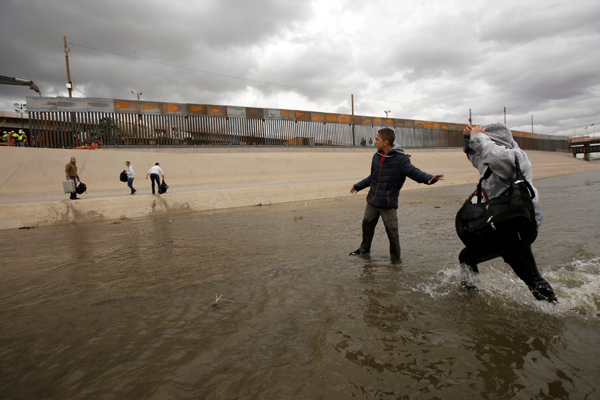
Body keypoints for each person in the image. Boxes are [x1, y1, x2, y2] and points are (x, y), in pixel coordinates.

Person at [459, 123, 557, 303]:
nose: (479, 153)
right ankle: (469, 295)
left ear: (495, 142)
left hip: (515, 227)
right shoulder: (487, 157)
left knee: (531, 276)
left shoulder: (515, 157)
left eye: (484, 143)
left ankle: (555, 309)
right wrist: (468, 138)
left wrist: (479, 137)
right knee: (467, 257)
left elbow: (495, 157)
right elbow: (472, 154)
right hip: (502, 223)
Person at [349, 127, 444, 262]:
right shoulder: (376, 156)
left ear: (386, 142)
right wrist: (358, 186)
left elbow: (414, 172)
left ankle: (395, 260)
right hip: (373, 200)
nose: (375, 141)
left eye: (377, 139)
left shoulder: (401, 159)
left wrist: (428, 179)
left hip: (388, 203)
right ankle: (364, 250)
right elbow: (373, 177)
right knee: (366, 225)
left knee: (392, 232)